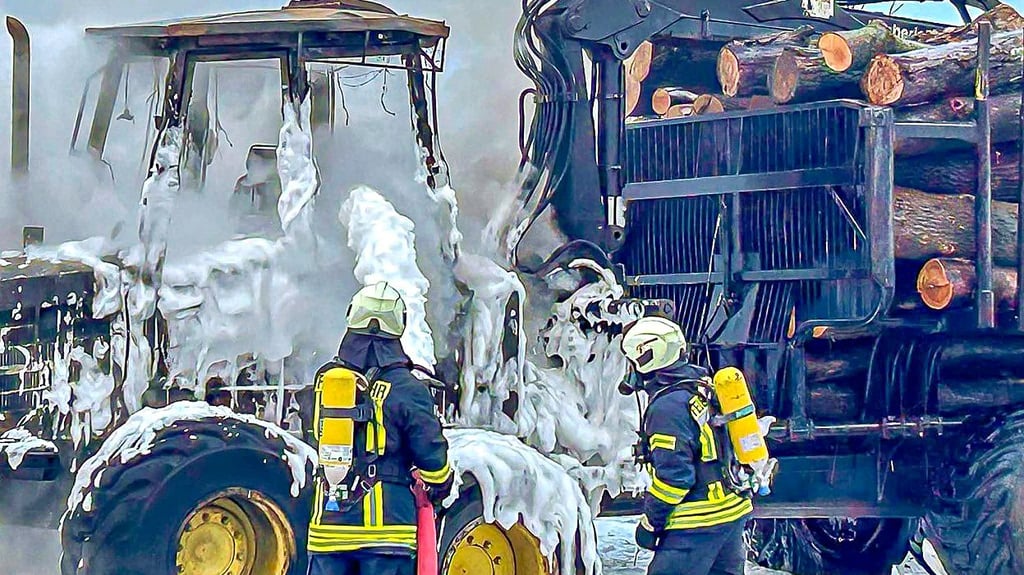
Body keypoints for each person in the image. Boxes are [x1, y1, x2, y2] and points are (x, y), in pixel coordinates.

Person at [307, 282, 453, 575]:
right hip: (387, 532)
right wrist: (441, 484)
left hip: (328, 528)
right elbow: (432, 458)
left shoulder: (327, 383)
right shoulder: (408, 389)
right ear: (399, 326)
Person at [621, 316, 753, 575]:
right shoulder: (701, 385)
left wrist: (650, 524)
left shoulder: (667, 409)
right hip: (730, 514)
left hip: (697, 523)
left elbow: (675, 479)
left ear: (646, 356)